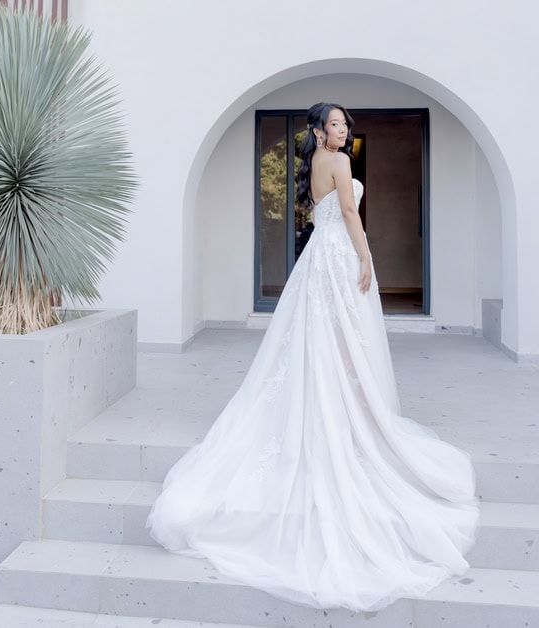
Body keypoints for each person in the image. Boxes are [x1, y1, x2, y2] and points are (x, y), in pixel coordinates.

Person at [147, 102, 479, 612]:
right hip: (338, 256)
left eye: (347, 124)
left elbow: (327, 213)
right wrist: (368, 258)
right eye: (335, 124)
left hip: (315, 262)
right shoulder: (341, 163)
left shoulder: (317, 164)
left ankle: (333, 403)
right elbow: (349, 213)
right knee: (343, 340)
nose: (343, 130)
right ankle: (344, 410)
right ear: (320, 131)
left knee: (318, 341)